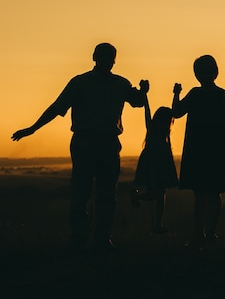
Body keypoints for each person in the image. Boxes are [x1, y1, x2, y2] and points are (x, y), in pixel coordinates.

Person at [11, 43, 149, 254]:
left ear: (114, 60)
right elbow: (57, 108)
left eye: (110, 57)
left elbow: (137, 102)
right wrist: (33, 128)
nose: (107, 60)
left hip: (108, 143)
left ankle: (100, 240)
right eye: (104, 56)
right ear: (95, 57)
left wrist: (143, 92)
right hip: (85, 143)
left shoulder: (119, 84)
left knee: (104, 194)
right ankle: (80, 239)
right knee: (82, 192)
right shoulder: (80, 83)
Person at [172, 55, 225, 250]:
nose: (202, 75)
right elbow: (176, 112)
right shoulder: (200, 94)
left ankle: (206, 233)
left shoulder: (220, 95)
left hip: (210, 149)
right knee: (203, 193)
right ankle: (201, 233)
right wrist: (176, 94)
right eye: (200, 72)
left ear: (214, 72)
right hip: (202, 149)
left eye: (205, 71)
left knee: (209, 192)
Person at [130, 91, 179, 234]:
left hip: (157, 160)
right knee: (157, 194)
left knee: (159, 193)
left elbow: (170, 111)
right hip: (156, 161)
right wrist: (176, 94)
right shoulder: (157, 130)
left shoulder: (159, 130)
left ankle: (158, 224)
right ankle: (137, 197)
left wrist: (176, 94)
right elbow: (148, 110)